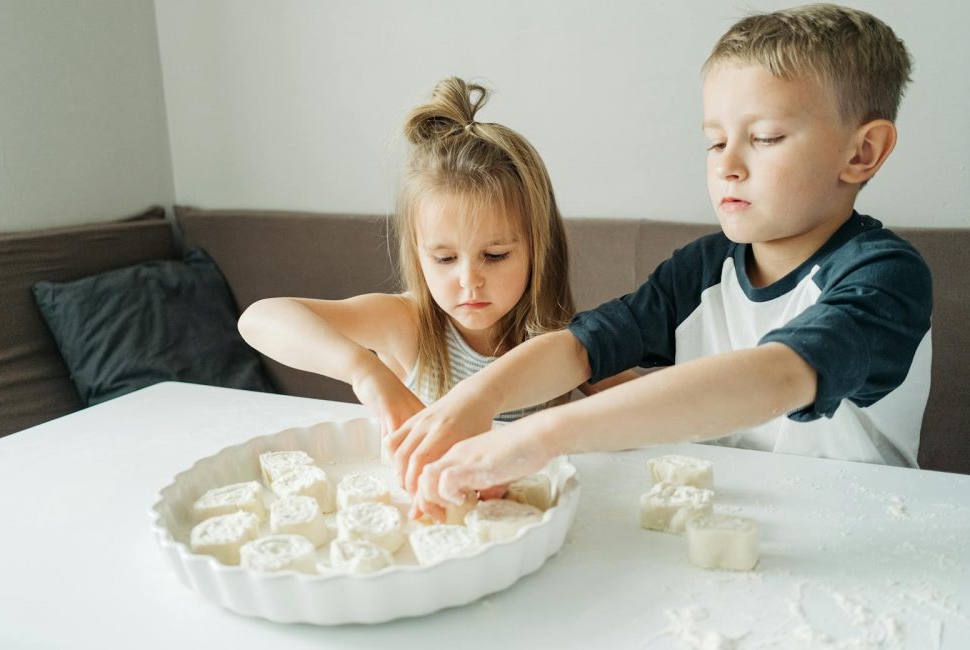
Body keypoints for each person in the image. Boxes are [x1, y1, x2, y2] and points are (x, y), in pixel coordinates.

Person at [396, 4, 933, 521]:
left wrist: (541, 434)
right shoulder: (701, 269)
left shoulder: (886, 278)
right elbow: (582, 348)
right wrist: (476, 398)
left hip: (864, 533)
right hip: (726, 523)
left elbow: (775, 376)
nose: (727, 165)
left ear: (862, 152)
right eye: (714, 141)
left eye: (764, 138)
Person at [238, 77, 630, 489]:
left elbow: (660, 410)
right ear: (418, 252)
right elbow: (259, 319)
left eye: (495, 255)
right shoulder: (408, 323)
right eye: (444, 258)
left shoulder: (560, 345)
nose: (469, 281)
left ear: (539, 248)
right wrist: (364, 371)